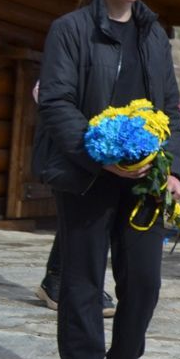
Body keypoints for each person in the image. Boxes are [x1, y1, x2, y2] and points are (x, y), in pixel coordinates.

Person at [35, 0, 180, 359]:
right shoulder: (70, 29)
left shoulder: (154, 34)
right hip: (85, 175)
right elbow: (56, 102)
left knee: (143, 280)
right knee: (82, 281)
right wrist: (102, 157)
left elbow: (169, 105)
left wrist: (174, 169)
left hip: (143, 179)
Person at [31, 82, 117, 318]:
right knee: (82, 213)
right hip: (73, 143)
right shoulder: (69, 49)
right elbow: (44, 90)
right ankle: (66, 283)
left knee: (90, 213)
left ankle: (58, 279)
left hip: (98, 139)